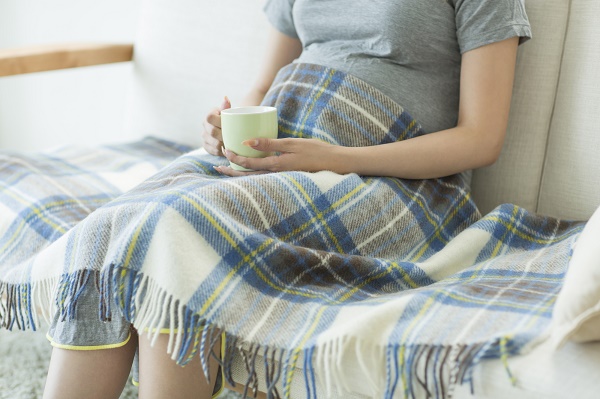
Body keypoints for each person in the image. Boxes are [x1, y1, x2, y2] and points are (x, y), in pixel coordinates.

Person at [42, 0, 532, 398]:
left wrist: (339, 159)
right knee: (121, 220)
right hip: (279, 155)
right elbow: (263, 84)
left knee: (179, 228)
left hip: (388, 182)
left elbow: (480, 139)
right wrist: (222, 129)